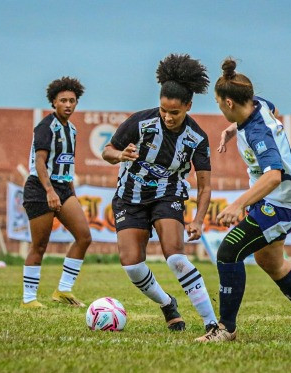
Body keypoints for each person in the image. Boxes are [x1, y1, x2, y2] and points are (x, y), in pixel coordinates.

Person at [195, 58, 291, 344]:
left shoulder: (259, 132)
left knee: (229, 251)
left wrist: (237, 204)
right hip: (276, 196)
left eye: (219, 104)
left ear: (230, 103)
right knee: (270, 261)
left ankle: (226, 328)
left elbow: (273, 176)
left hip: (284, 202)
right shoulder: (257, 104)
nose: (219, 109)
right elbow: (274, 109)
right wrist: (233, 130)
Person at [101, 54, 217, 332]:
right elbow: (106, 151)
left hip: (169, 196)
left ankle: (212, 324)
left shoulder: (197, 138)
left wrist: (198, 220)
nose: (167, 116)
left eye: (175, 112)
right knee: (132, 267)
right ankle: (167, 304)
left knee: (175, 257)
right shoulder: (139, 123)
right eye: (164, 109)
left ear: (188, 106)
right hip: (130, 197)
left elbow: (205, 184)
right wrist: (121, 156)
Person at [21, 76, 92, 309]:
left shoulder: (72, 129)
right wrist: (50, 191)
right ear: (54, 102)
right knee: (39, 245)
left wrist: (69, 192)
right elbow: (40, 162)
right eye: (63, 100)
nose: (68, 105)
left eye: (72, 100)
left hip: (63, 187)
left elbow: (66, 164)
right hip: (40, 188)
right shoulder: (45, 127)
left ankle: (63, 289)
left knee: (84, 236)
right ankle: (29, 299)